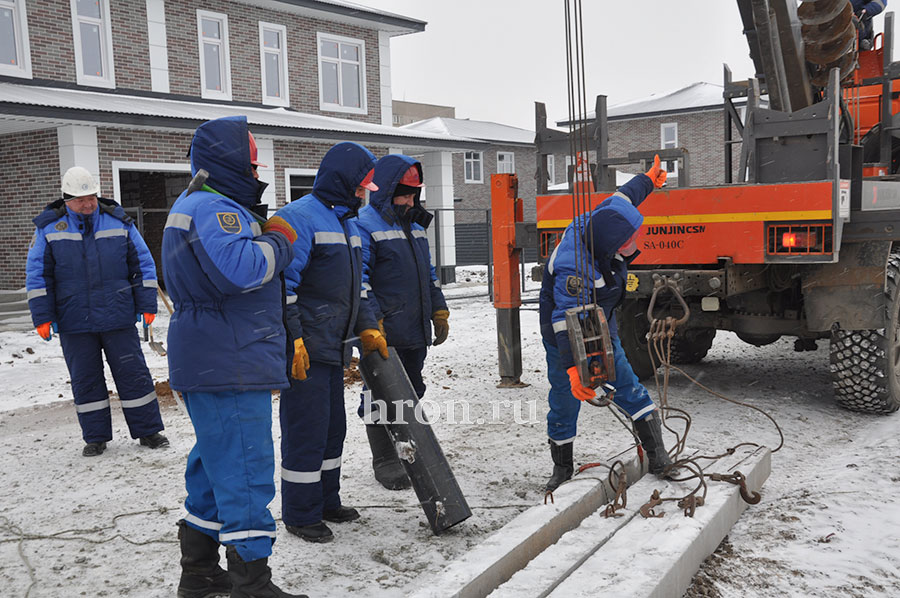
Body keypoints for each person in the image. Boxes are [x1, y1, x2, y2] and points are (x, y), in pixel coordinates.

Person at [162, 116, 305, 598]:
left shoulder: (195, 203)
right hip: (230, 357)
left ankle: (199, 572)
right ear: (229, 161)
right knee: (245, 468)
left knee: (213, 465)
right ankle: (252, 584)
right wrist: (281, 239)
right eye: (250, 161)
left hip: (213, 353)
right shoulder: (214, 208)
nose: (256, 169)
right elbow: (243, 270)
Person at [271, 141, 386, 544]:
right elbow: (282, 288)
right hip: (307, 350)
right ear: (343, 180)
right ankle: (300, 513)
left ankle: (326, 500)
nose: (364, 193)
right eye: (361, 186)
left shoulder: (348, 222)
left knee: (332, 428)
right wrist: (294, 339)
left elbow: (359, 289)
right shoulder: (298, 219)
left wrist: (368, 326)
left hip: (335, 346)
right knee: (307, 430)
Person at [539, 155, 672, 492]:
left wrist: (649, 179)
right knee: (565, 399)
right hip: (563, 338)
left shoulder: (603, 221)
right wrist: (573, 368)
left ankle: (658, 455)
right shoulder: (575, 267)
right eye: (633, 238)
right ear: (614, 243)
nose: (638, 241)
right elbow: (563, 321)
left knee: (627, 383)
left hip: (602, 322)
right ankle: (562, 468)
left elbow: (625, 197)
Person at [25, 166, 168, 457]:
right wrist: (42, 316)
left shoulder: (118, 222)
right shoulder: (50, 228)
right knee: (85, 379)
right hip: (74, 320)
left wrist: (147, 305)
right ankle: (95, 437)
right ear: (67, 200)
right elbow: (38, 276)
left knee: (134, 375)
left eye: (91, 197)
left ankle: (149, 431)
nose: (88, 204)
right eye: (80, 200)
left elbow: (142, 265)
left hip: (118, 316)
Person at [355, 154, 449, 490]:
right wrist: (372, 322)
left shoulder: (414, 226)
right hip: (383, 332)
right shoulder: (364, 225)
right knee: (379, 395)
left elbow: (429, 274)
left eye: (414, 195)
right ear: (385, 191)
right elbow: (360, 281)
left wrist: (438, 309)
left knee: (412, 389)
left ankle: (406, 448)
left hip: (413, 329)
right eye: (404, 195)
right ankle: (384, 459)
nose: (410, 201)